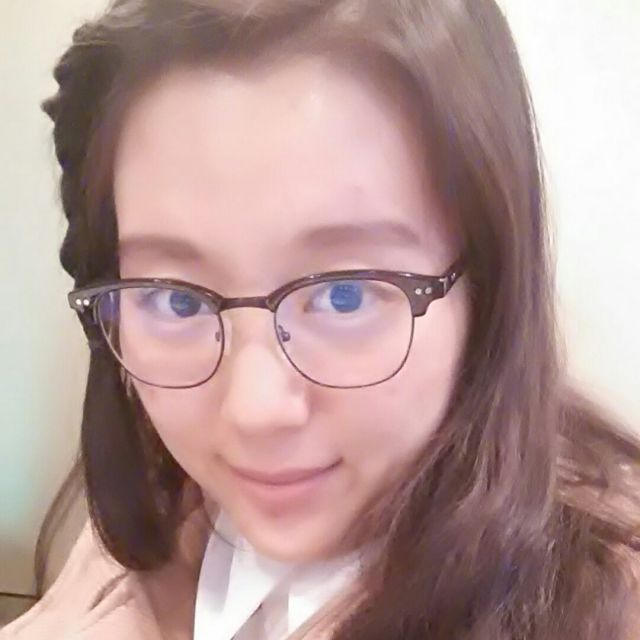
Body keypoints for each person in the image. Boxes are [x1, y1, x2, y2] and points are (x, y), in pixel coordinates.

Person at [3, 0, 640, 638]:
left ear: (489, 286)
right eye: (177, 301)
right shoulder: (151, 516)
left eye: (344, 296)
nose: (254, 412)